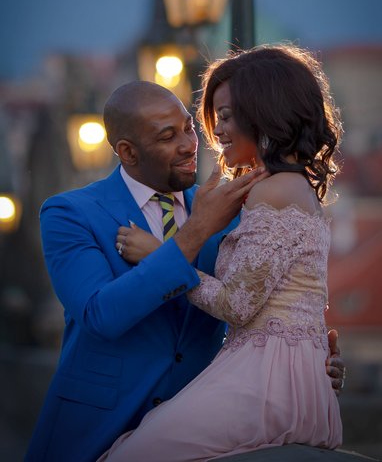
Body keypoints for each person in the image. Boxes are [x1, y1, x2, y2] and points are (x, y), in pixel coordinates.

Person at [25, 77, 344, 462]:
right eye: (167, 136)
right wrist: (193, 233)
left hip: (204, 424)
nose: (190, 144)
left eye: (189, 126)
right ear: (127, 151)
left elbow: (250, 304)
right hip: (94, 426)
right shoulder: (70, 213)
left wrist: (307, 365)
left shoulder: (231, 208)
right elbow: (100, 315)